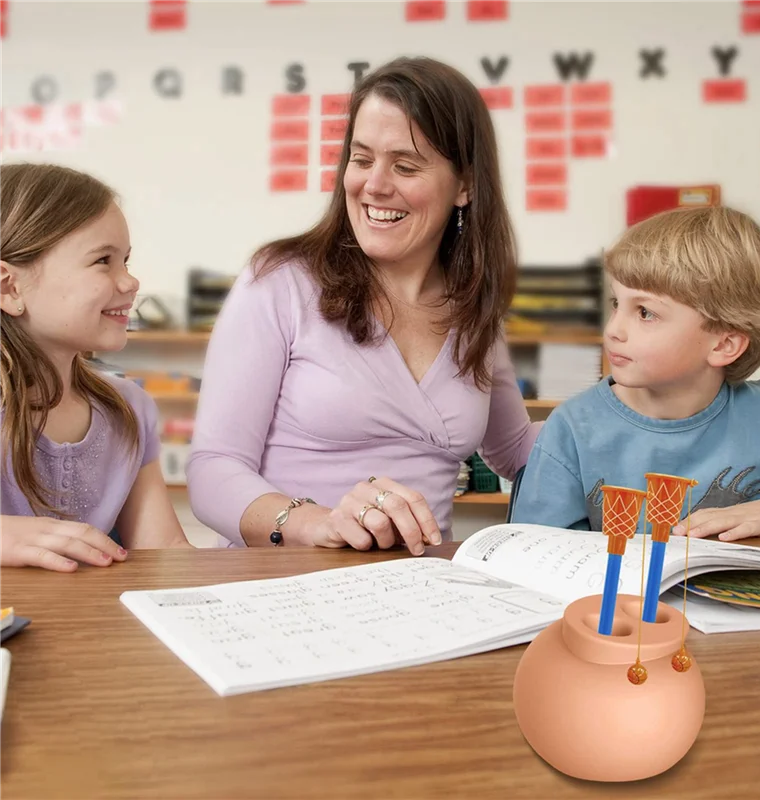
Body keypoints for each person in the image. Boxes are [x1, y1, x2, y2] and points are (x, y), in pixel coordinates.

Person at [187, 57, 540, 553]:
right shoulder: (280, 281)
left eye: (405, 165)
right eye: (361, 158)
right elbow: (212, 469)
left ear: (466, 185)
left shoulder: (472, 307)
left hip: (420, 591)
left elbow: (514, 450)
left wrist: (632, 413)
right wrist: (319, 524)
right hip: (282, 585)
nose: (374, 185)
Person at [511, 205, 760, 542]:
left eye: (645, 313)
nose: (614, 329)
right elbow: (529, 557)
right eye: (617, 303)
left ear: (724, 345)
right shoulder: (572, 429)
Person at [0, 163, 190, 572]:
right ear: (9, 287)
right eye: (103, 261)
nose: (131, 282)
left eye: (126, 260)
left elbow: (164, 549)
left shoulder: (129, 409)